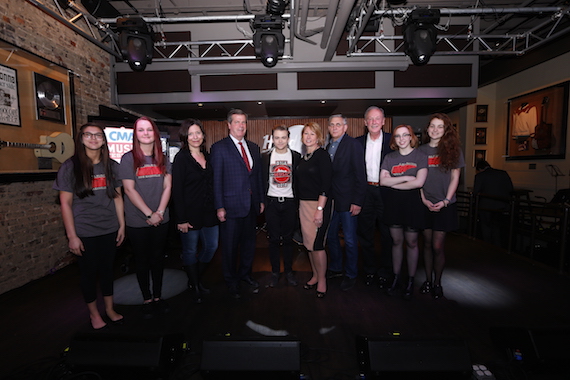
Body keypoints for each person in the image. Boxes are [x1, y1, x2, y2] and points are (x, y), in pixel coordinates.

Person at [53, 123, 125, 329]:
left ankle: (110, 309)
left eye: (98, 135)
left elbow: (118, 197)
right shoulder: (70, 167)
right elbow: (65, 204)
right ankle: (94, 314)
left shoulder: (112, 166)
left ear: (103, 140)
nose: (93, 138)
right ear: (81, 138)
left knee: (107, 271)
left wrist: (122, 225)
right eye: (88, 135)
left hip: (109, 228)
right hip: (84, 230)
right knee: (88, 273)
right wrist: (72, 236)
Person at [119, 117, 172, 318]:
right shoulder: (128, 159)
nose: (146, 133)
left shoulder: (164, 159)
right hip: (137, 221)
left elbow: (168, 187)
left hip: (161, 218)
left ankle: (158, 296)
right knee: (142, 261)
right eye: (141, 130)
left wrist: (159, 212)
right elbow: (129, 190)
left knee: (158, 260)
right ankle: (147, 298)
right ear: (136, 134)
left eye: (149, 130)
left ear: (155, 133)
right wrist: (149, 214)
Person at [211, 109, 264, 299]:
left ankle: (245, 275)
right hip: (230, 207)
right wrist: (219, 206)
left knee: (249, 245)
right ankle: (231, 280)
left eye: (244, 122)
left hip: (250, 206)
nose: (241, 126)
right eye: (237, 122)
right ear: (229, 125)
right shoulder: (219, 148)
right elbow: (216, 180)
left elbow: (256, 178)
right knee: (230, 247)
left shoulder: (254, 147)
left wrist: (260, 201)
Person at [172, 119, 219, 303]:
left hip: (209, 212)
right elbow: (177, 190)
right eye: (191, 134)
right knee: (190, 250)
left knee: (212, 247)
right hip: (189, 214)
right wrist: (181, 219)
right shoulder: (181, 158)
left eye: (198, 133)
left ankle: (194, 277)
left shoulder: (207, 155)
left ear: (203, 135)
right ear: (185, 136)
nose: (195, 137)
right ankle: (196, 286)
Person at [419, 113, 465, 299]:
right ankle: (428, 281)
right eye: (432, 126)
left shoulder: (453, 151)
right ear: (427, 128)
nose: (435, 129)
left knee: (438, 246)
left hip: (445, 204)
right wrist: (423, 199)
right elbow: (417, 179)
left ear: (446, 130)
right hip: (424, 203)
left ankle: (438, 282)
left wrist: (446, 200)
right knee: (427, 244)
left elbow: (455, 177)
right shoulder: (420, 151)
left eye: (440, 126)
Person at [380, 124, 428, 300]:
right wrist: (407, 177)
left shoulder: (420, 156)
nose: (401, 139)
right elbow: (382, 182)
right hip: (394, 203)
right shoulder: (389, 157)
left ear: (411, 137)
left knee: (413, 242)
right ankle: (396, 278)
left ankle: (410, 280)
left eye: (405, 135)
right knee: (396, 241)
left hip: (412, 204)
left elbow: (419, 183)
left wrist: (394, 181)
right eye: (398, 136)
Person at [326, 114, 366, 291]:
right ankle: (335, 267)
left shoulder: (353, 145)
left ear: (345, 127)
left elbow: (360, 175)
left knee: (350, 240)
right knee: (332, 237)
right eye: (332, 125)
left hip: (349, 201)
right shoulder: (328, 146)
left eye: (338, 124)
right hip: (332, 201)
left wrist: (357, 201)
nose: (334, 127)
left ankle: (351, 273)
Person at [356, 106, 394, 288]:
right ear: (365, 122)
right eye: (370, 119)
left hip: (386, 192)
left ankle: (386, 272)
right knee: (365, 234)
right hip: (365, 193)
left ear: (383, 121)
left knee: (388, 235)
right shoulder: (357, 143)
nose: (373, 122)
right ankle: (370, 270)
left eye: (377, 118)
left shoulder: (393, 141)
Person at [295, 122, 333, 298]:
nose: (308, 137)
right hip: (304, 205)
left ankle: (323, 280)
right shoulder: (304, 158)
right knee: (308, 244)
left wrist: (319, 209)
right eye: (305, 134)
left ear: (318, 137)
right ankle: (315, 275)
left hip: (319, 204)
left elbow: (326, 184)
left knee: (318, 245)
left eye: (312, 134)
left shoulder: (322, 155)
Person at [262, 125, 302, 288]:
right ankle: (275, 272)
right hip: (271, 202)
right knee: (273, 240)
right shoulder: (264, 158)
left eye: (283, 137)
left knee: (287, 240)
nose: (280, 141)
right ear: (272, 139)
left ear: (288, 138)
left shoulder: (296, 156)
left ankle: (289, 272)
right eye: (277, 137)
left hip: (290, 203)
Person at [473, 160, 514, 247]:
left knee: (486, 227)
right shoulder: (503, 173)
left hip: (486, 205)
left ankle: (487, 246)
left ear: (480, 168)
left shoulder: (480, 176)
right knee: (498, 227)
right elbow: (510, 188)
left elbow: (476, 191)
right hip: (502, 205)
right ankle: (498, 246)